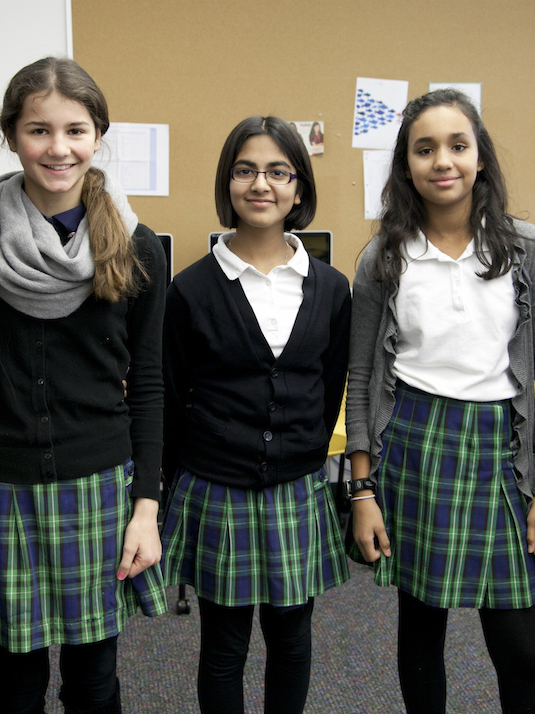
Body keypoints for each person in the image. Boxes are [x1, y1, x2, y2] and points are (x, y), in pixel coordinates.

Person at [346, 88, 535, 714]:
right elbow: (361, 383)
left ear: (479, 157)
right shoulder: (383, 258)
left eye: (457, 145)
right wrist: (362, 493)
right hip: (412, 451)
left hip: (502, 454)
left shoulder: (527, 250)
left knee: (522, 651)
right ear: (406, 164)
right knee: (421, 640)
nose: (442, 161)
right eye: (424, 149)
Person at [0, 57, 167, 714]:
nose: (59, 148)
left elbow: (149, 385)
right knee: (15, 688)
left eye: (76, 130)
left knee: (93, 683)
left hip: (98, 484)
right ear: (10, 135)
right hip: (3, 483)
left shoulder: (136, 246)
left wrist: (146, 508)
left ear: (98, 135)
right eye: (38, 130)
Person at [161, 116, 351, 714]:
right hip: (216, 484)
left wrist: (299, 450)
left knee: (292, 639)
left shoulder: (331, 288)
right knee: (224, 645)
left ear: (299, 187)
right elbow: (172, 395)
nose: (261, 184)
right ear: (228, 182)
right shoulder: (190, 289)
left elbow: (329, 388)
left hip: (296, 484)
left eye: (278, 171)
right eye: (245, 170)